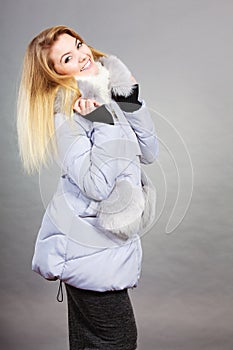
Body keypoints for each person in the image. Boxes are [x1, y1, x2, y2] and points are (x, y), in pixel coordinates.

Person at [17, 25, 158, 350]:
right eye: (67, 57)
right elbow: (97, 185)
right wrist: (102, 120)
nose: (82, 56)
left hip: (99, 247)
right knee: (118, 341)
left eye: (78, 45)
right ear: (54, 74)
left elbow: (149, 153)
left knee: (89, 342)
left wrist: (128, 98)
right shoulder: (67, 115)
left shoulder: (98, 98)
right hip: (85, 250)